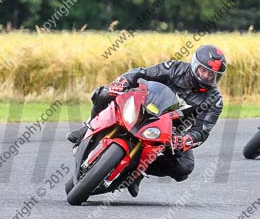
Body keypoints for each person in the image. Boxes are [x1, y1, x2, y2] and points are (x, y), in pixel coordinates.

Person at [67, 45, 227, 196]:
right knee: (102, 93)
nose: (206, 76)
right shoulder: (175, 68)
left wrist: (186, 140)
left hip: (170, 130)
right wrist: (121, 83)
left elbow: (202, 130)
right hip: (143, 106)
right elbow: (141, 73)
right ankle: (86, 129)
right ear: (194, 65)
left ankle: (138, 171)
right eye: (203, 70)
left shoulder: (215, 99)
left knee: (185, 167)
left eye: (211, 74)